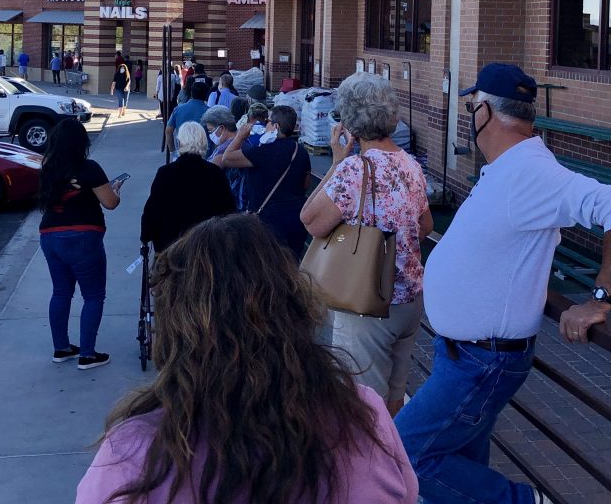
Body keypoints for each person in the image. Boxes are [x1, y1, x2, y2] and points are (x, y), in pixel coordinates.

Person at [76, 214, 418, 504]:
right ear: (296, 304)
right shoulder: (364, 416)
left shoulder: (133, 454)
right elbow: (407, 490)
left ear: (176, 325)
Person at [394, 63, 611, 504]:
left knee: (405, 456)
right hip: (465, 353)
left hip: (482, 361)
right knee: (459, 467)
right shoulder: (508, 167)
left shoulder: (532, 172)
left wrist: (600, 299)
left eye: (473, 106)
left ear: (485, 113)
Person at [300, 73, 433, 417]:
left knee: (362, 406)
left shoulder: (354, 171)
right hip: (409, 300)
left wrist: (336, 162)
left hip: (367, 304)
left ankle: (369, 467)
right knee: (394, 397)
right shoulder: (411, 164)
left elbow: (311, 221)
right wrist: (395, 247)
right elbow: (426, 225)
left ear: (349, 120)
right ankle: (395, 461)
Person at [39, 119, 121, 371]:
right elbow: (110, 203)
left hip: (50, 235)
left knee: (61, 292)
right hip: (84, 236)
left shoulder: (47, 168)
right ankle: (87, 354)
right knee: (93, 295)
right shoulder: (90, 168)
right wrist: (114, 189)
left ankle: (61, 348)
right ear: (80, 142)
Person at [223, 105, 311, 258]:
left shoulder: (263, 151)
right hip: (296, 218)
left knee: (268, 266)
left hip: (268, 221)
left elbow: (227, 158)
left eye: (268, 122)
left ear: (276, 126)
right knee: (293, 263)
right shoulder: (301, 151)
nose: (266, 125)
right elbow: (306, 184)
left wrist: (240, 136)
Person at [141, 122, 234, 252]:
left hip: (171, 247)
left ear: (180, 143)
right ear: (204, 142)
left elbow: (153, 209)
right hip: (206, 248)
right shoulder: (215, 173)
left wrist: (146, 237)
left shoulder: (166, 173)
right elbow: (228, 210)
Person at [201, 106, 247, 210]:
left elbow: (207, 174)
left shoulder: (226, 148)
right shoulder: (236, 141)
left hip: (229, 205)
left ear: (221, 128)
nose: (210, 135)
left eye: (210, 131)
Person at [166, 82, 209, 155]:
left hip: (182, 152)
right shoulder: (209, 112)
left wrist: (172, 151)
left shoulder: (178, 109)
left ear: (191, 93)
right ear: (206, 95)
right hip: (203, 154)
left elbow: (168, 131)